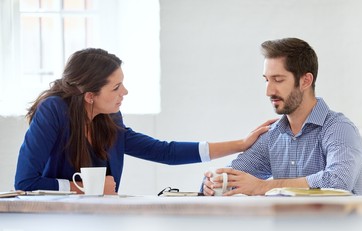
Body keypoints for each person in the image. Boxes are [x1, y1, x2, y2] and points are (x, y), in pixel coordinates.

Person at [14, 48, 275, 194]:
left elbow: (164, 151)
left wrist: (241, 144)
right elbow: (25, 181)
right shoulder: (53, 111)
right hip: (54, 225)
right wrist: (80, 187)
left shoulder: (108, 117)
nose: (124, 92)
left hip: (99, 222)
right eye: (116, 87)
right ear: (90, 96)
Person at [203, 37, 362, 196]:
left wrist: (264, 186)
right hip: (288, 225)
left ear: (305, 81)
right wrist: (212, 183)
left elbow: (337, 181)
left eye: (278, 80)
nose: (268, 91)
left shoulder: (339, 129)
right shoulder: (272, 136)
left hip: (339, 225)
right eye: (267, 80)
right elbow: (232, 177)